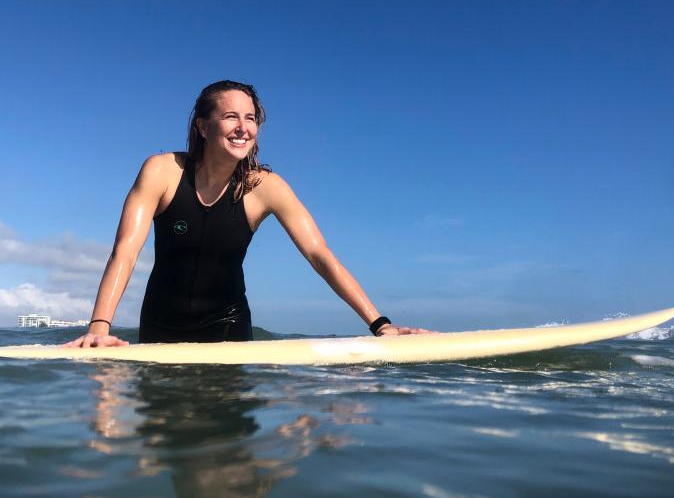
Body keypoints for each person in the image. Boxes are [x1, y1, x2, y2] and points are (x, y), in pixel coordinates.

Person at [66, 80, 429, 348]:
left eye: (251, 118)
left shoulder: (266, 187)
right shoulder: (162, 171)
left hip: (229, 329)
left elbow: (320, 256)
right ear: (203, 126)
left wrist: (381, 325)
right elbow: (125, 252)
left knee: (230, 443)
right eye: (230, 117)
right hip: (161, 325)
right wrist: (99, 328)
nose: (243, 127)